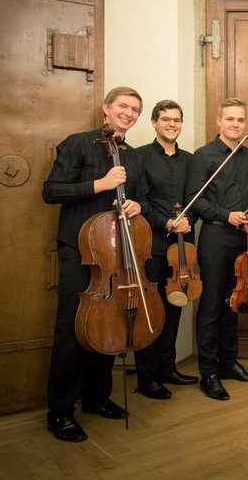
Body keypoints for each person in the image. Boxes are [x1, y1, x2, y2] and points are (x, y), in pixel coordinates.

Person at [42, 86, 148, 442]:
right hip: (79, 250)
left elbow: (142, 197)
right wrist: (98, 184)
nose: (129, 113)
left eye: (135, 109)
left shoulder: (132, 156)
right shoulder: (78, 143)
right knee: (72, 328)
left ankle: (96, 397)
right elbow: (51, 191)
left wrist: (136, 205)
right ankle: (59, 411)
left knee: (110, 324)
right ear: (106, 108)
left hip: (115, 254)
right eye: (123, 106)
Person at [186, 97, 248, 401]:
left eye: (240, 120)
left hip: (243, 239)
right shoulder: (203, 156)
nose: (235, 124)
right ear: (218, 121)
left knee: (235, 301)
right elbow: (196, 200)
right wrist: (224, 215)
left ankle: (229, 362)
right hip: (216, 237)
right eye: (230, 119)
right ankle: (209, 372)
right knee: (211, 305)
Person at [133, 100, 198, 400]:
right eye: (166, 119)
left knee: (175, 303)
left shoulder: (190, 160)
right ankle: (147, 377)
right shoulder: (141, 157)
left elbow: (197, 200)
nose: (172, 124)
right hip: (152, 243)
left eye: (177, 119)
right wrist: (167, 222)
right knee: (151, 308)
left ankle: (167, 366)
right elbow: (140, 202)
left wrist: (188, 221)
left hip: (182, 246)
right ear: (154, 123)